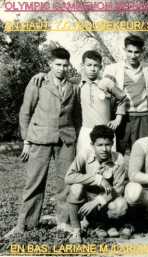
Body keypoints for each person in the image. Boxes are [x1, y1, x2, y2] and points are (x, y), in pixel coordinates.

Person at [6, 47, 80, 237]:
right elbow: (25, 112)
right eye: (57, 65)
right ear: (50, 64)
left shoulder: (73, 86)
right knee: (34, 181)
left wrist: (75, 138)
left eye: (65, 65)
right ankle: (25, 224)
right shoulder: (38, 81)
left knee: (65, 182)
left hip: (66, 140)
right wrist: (26, 140)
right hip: (40, 138)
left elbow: (77, 116)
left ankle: (63, 222)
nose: (61, 68)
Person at [64, 125, 129, 243]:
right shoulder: (84, 154)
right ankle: (76, 230)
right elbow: (68, 177)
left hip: (105, 200)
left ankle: (104, 224)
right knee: (76, 187)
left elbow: (118, 189)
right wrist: (97, 179)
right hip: (86, 198)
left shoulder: (118, 158)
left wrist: (97, 201)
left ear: (112, 144)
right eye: (99, 145)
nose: (104, 149)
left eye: (108, 144)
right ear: (92, 145)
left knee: (121, 205)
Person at [103, 35, 148, 155]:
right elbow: (104, 86)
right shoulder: (113, 68)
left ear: (142, 52)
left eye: (136, 52)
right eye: (130, 51)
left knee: (143, 152)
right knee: (118, 152)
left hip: (143, 117)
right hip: (122, 118)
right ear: (124, 50)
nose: (133, 55)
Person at [76, 50, 127, 155]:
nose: (92, 69)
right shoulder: (78, 85)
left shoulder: (106, 83)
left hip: (105, 131)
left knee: (107, 164)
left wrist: (118, 119)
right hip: (86, 131)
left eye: (96, 65)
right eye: (89, 65)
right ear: (83, 66)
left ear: (100, 67)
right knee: (86, 162)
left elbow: (123, 98)